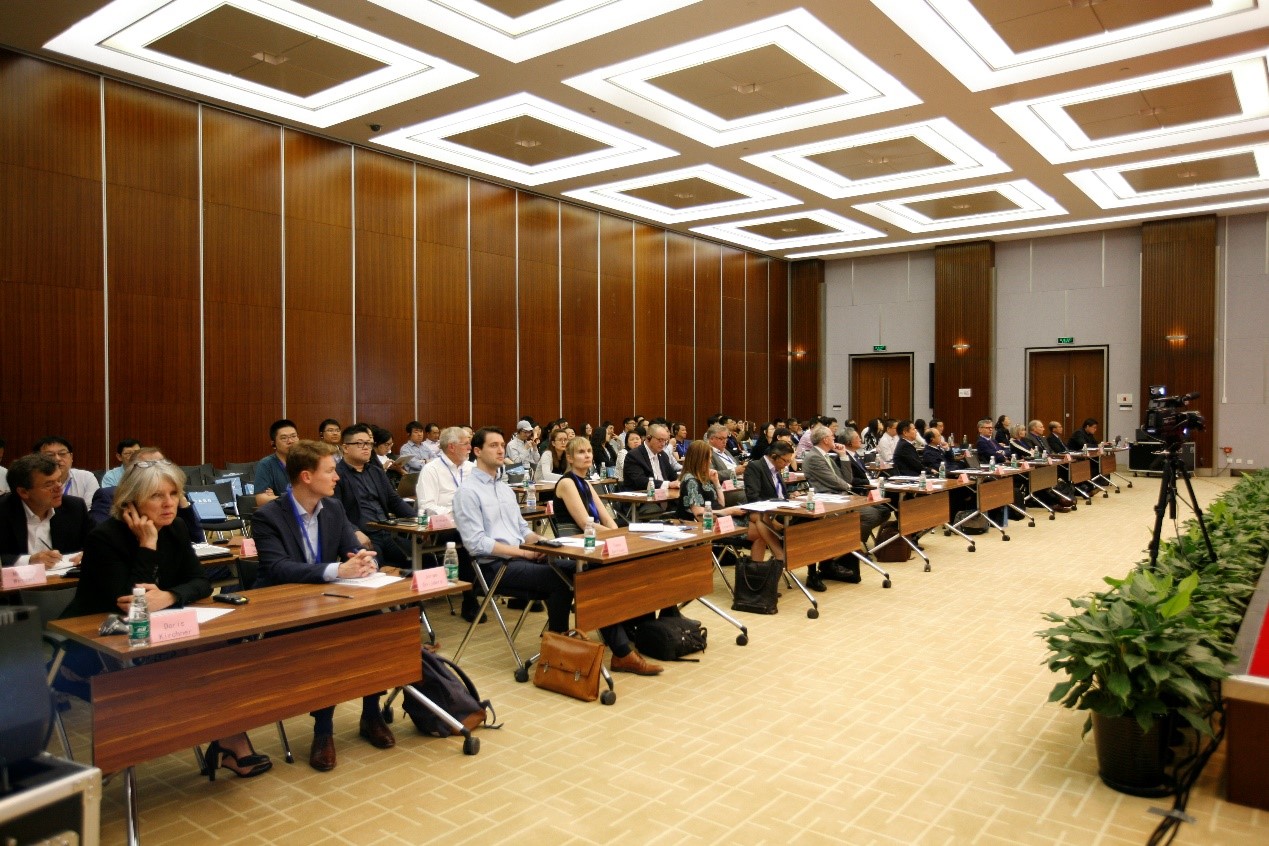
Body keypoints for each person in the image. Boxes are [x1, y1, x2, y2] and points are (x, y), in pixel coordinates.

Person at [58, 458, 271, 779]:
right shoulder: (104, 537)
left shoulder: (176, 528)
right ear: (130, 502)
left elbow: (200, 582)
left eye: (173, 493)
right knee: (199, 659)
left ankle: (229, 739)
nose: (169, 503)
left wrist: (169, 596)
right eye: (157, 496)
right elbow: (130, 603)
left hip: (157, 633)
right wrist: (147, 545)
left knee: (216, 649)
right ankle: (214, 742)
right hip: (99, 643)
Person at [251, 440, 391, 772]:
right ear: (306, 476)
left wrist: (364, 562)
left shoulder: (334, 508)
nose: (337, 477)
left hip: (331, 600)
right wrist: (337, 570)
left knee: (378, 624)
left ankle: (371, 713)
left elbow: (349, 551)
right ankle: (323, 729)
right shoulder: (268, 516)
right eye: (330, 471)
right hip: (288, 608)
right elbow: (277, 568)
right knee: (327, 639)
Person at [452, 427, 582, 661]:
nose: (501, 450)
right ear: (477, 451)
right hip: (494, 567)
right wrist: (524, 553)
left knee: (582, 570)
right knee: (560, 579)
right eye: (494, 446)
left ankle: (565, 642)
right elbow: (476, 544)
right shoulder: (467, 492)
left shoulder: (505, 489)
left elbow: (523, 530)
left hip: (521, 559)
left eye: (502, 445)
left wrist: (544, 543)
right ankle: (559, 650)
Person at [554, 436, 664, 675]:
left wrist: (621, 536)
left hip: (595, 545)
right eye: (580, 452)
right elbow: (585, 524)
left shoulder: (586, 483)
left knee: (637, 565)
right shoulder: (567, 483)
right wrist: (619, 537)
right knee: (605, 579)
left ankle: (638, 627)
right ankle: (622, 651)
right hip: (577, 551)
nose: (587, 455)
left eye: (589, 451)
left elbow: (607, 518)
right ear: (570, 458)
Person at [334, 424, 416, 566]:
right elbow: (335, 512)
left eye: (369, 443)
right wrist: (354, 531)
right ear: (345, 448)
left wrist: (419, 520)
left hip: (387, 533)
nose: (366, 447)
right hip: (361, 536)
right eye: (360, 443)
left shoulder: (376, 472)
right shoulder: (336, 475)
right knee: (373, 565)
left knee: (425, 557)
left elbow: (394, 501)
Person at [90, 447, 206, 542]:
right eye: (149, 466)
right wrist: (147, 543)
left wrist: (181, 499)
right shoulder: (106, 535)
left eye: (162, 464)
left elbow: (198, 540)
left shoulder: (176, 524)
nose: (158, 470)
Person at [0, 453, 91, 567]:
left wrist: (88, 554)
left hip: (64, 577)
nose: (59, 488)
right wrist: (29, 560)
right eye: (49, 484)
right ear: (23, 492)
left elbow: (95, 543)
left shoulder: (74, 507)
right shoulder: (3, 511)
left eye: (59, 480)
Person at [742, 440, 792, 568]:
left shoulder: (776, 469)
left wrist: (791, 497)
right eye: (785, 461)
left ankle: (789, 556)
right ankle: (780, 556)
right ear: (774, 456)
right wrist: (771, 517)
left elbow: (781, 494)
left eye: (789, 461)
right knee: (762, 519)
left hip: (782, 510)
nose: (787, 465)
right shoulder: (755, 467)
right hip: (762, 512)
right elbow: (753, 497)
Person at [35, 437, 99, 503]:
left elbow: (90, 507)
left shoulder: (86, 478)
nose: (57, 459)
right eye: (50, 455)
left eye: (62, 454)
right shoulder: (33, 480)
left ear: (71, 457)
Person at [254, 419, 299, 505]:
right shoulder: (266, 464)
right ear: (273, 443)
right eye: (284, 438)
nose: (290, 441)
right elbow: (261, 499)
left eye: (293, 436)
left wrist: (276, 497)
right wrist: (295, 499)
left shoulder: (308, 460)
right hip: (282, 512)